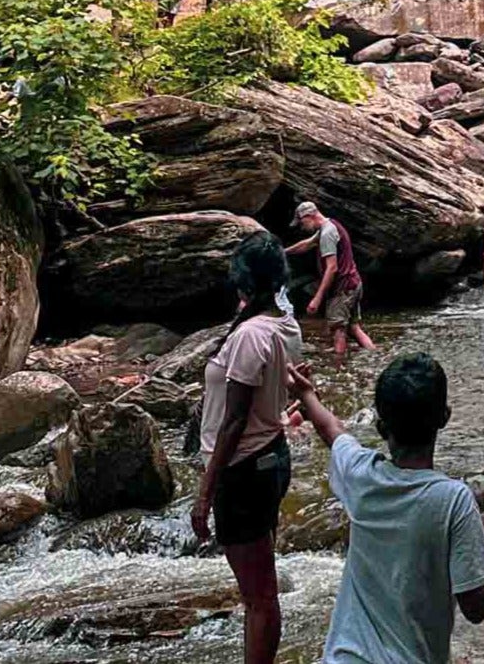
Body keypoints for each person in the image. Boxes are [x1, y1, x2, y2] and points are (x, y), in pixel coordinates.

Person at [288, 353, 484, 664]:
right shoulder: (453, 500)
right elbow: (476, 606)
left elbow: (332, 430)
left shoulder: (361, 475)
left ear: (379, 427)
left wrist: (306, 395)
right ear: (445, 417)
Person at [193, 232, 295, 664]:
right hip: (268, 457)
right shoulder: (282, 323)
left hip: (243, 469)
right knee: (261, 591)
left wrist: (204, 492)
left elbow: (234, 420)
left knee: (259, 598)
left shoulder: (251, 334)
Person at [285, 201, 375, 365]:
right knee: (353, 327)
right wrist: (283, 252)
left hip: (343, 288)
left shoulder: (327, 233)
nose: (302, 227)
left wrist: (317, 298)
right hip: (354, 284)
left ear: (309, 216)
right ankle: (373, 356)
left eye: (302, 222)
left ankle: (338, 369)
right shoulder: (330, 225)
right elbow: (307, 244)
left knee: (338, 330)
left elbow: (331, 268)